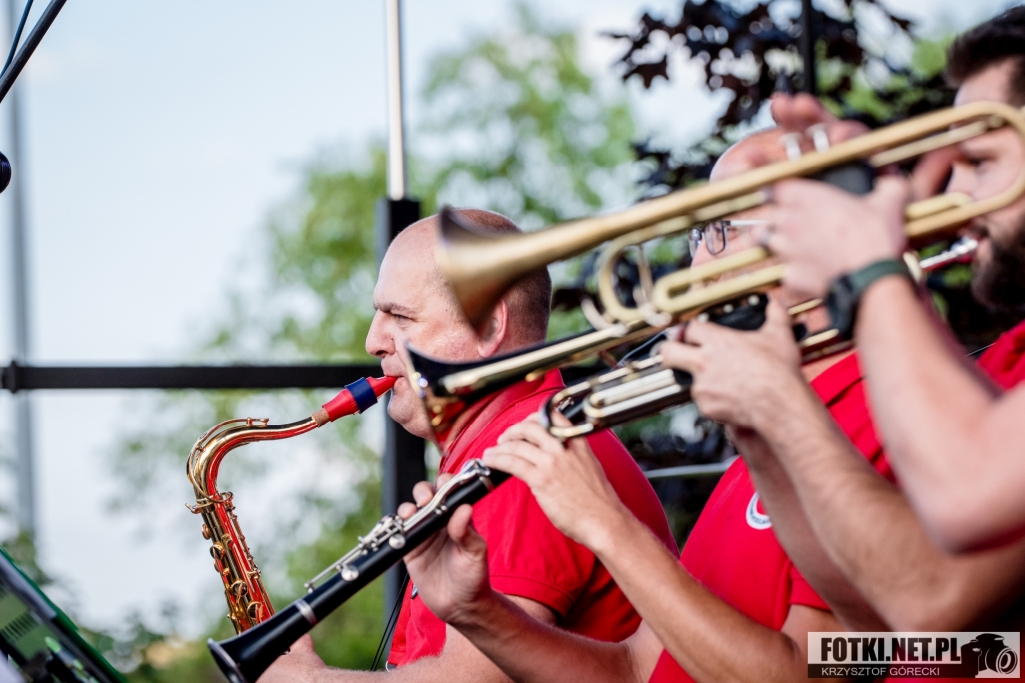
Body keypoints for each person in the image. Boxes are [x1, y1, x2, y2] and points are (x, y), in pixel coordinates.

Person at [401, 131, 866, 683]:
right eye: (700, 233)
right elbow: (635, 669)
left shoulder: (873, 422)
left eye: (721, 228)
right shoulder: (761, 453)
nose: (696, 262)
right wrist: (478, 614)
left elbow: (817, 674)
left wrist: (603, 522)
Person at [259, 209, 676, 683]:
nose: (374, 341)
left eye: (400, 316)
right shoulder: (514, 438)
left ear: (489, 328)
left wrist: (308, 680)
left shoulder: (522, 457)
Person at [760, 6, 1025, 553]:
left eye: (980, 162)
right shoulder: (1009, 358)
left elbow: (958, 522)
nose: (955, 198)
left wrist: (871, 266)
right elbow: (882, 594)